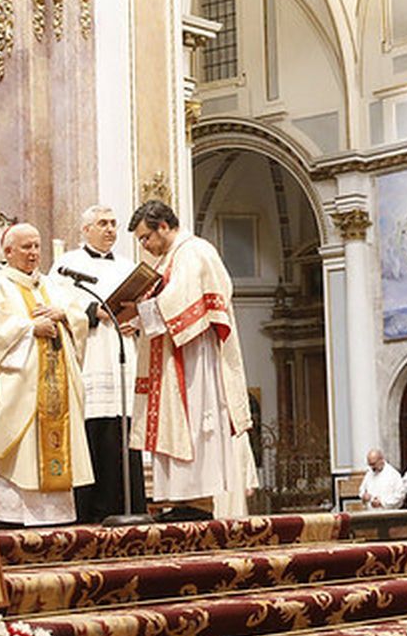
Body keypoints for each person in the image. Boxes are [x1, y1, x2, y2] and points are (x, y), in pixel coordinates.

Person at [129, 200, 257, 519]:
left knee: (194, 423)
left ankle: (197, 501)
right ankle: (182, 500)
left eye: (146, 238)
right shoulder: (169, 259)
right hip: (175, 354)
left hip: (193, 357)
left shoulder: (193, 252)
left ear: (162, 226)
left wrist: (139, 311)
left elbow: (178, 301)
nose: (145, 246)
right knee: (175, 424)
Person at [0, 222, 94, 526]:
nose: (34, 253)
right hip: (17, 388)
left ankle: (56, 518)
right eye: (26, 247)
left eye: (36, 246)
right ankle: (13, 516)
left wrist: (64, 316)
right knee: (20, 451)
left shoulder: (52, 285)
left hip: (55, 384)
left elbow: (76, 316)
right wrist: (28, 329)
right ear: (8, 252)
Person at [54, 204, 146, 522]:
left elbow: (142, 305)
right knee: (95, 431)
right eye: (102, 223)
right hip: (91, 354)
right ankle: (92, 512)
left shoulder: (128, 265)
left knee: (125, 431)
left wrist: (137, 320)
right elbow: (59, 304)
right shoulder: (67, 265)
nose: (109, 229)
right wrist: (95, 312)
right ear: (86, 229)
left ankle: (128, 507)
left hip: (123, 354)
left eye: (113, 223)